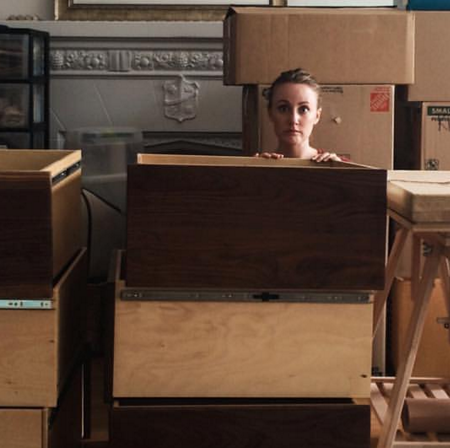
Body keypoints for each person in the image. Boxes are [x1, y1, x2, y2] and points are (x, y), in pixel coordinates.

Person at [255, 68, 345, 162]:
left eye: (303, 109)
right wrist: (252, 170)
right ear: (270, 113)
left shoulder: (341, 165)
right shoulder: (256, 166)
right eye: (283, 108)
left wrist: (340, 170)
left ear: (317, 116)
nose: (293, 120)